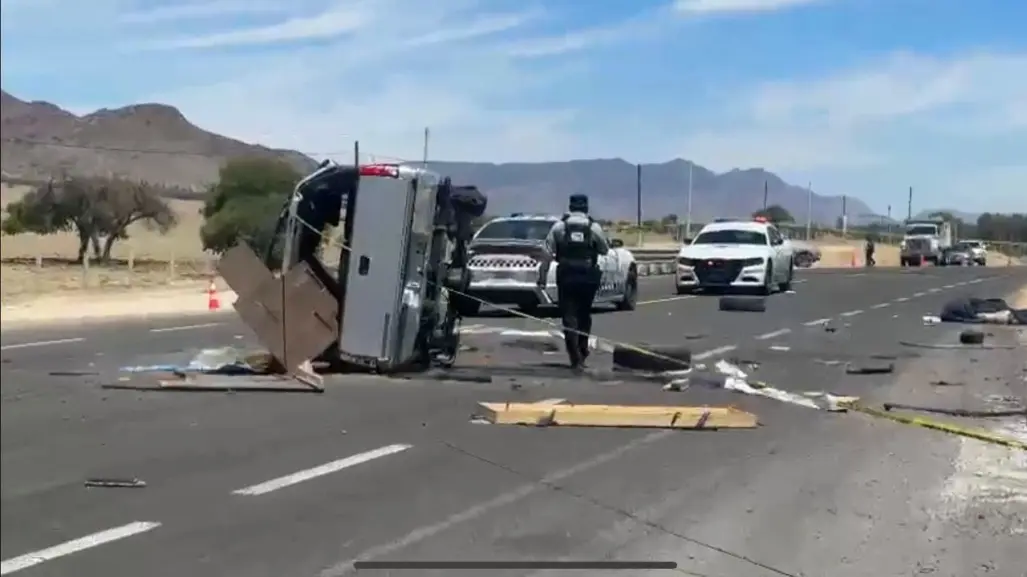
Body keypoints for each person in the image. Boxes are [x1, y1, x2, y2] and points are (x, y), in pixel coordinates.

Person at [545, 194, 610, 371]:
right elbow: (604, 249)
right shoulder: (593, 227)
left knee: (569, 316)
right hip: (588, 275)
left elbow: (548, 249)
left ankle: (575, 357)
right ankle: (583, 348)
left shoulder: (559, 226)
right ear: (586, 207)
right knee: (584, 314)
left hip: (566, 275)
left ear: (571, 207)